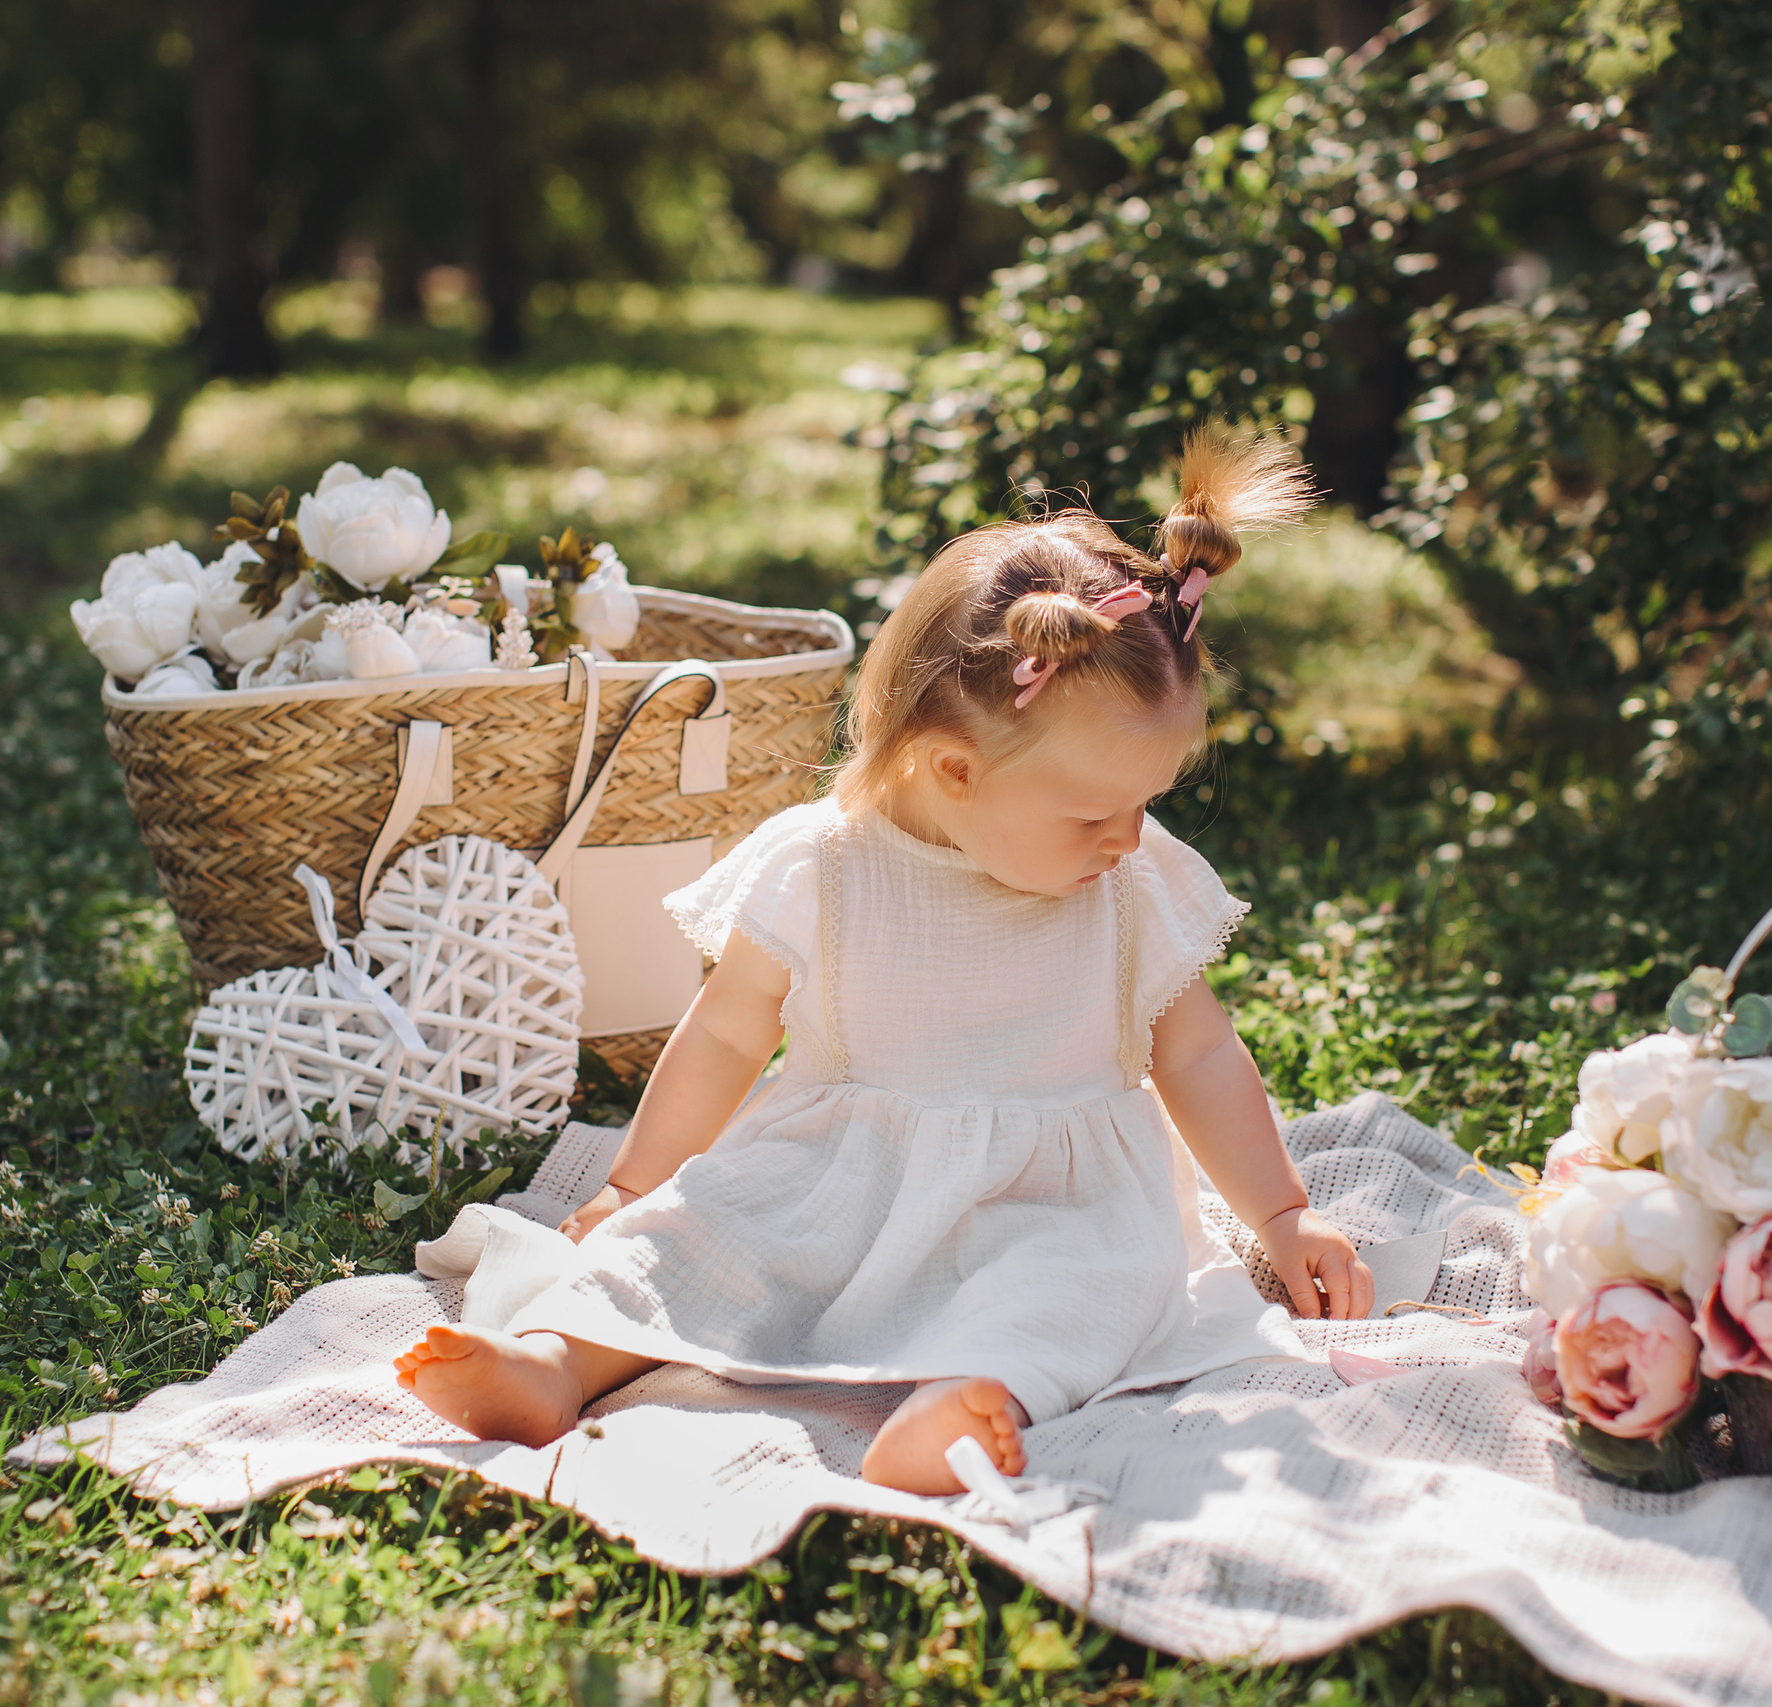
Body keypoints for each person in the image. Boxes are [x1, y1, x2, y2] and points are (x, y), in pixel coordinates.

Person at [395, 430, 1374, 1494]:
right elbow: (727, 1034)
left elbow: (1199, 1058)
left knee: (1077, 1292)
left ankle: (961, 1404)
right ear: (952, 768)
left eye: (1146, 804)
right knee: (698, 1240)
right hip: (832, 1179)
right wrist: (637, 1181)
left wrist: (1280, 1213)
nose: (1128, 839)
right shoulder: (824, 867)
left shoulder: (1129, 886)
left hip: (1050, 1201)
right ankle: (553, 1364)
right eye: (1098, 810)